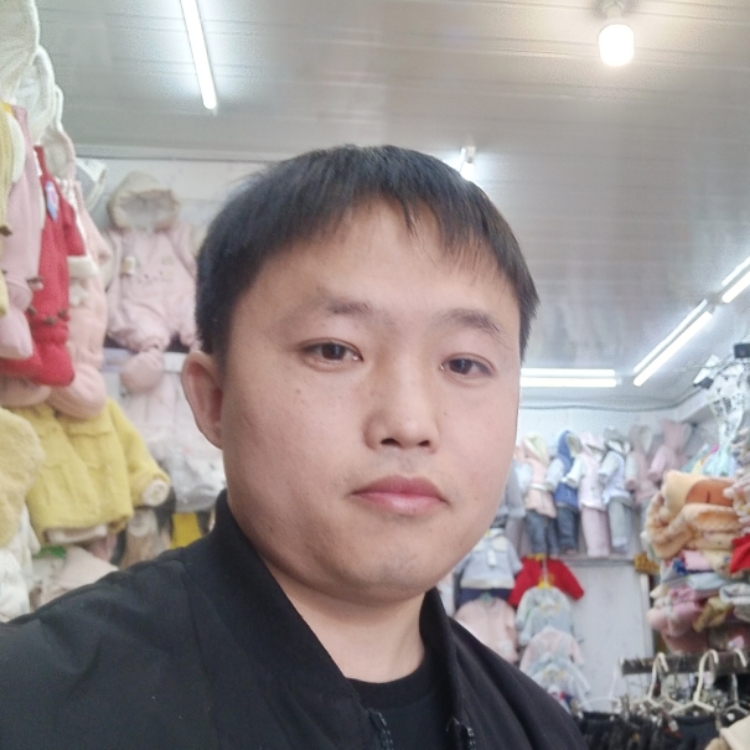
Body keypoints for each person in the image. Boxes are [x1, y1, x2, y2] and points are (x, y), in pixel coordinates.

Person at [0, 146, 586, 749]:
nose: (410, 423)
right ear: (214, 398)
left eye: (464, 363)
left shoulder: (540, 731)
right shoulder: (33, 703)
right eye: (334, 350)